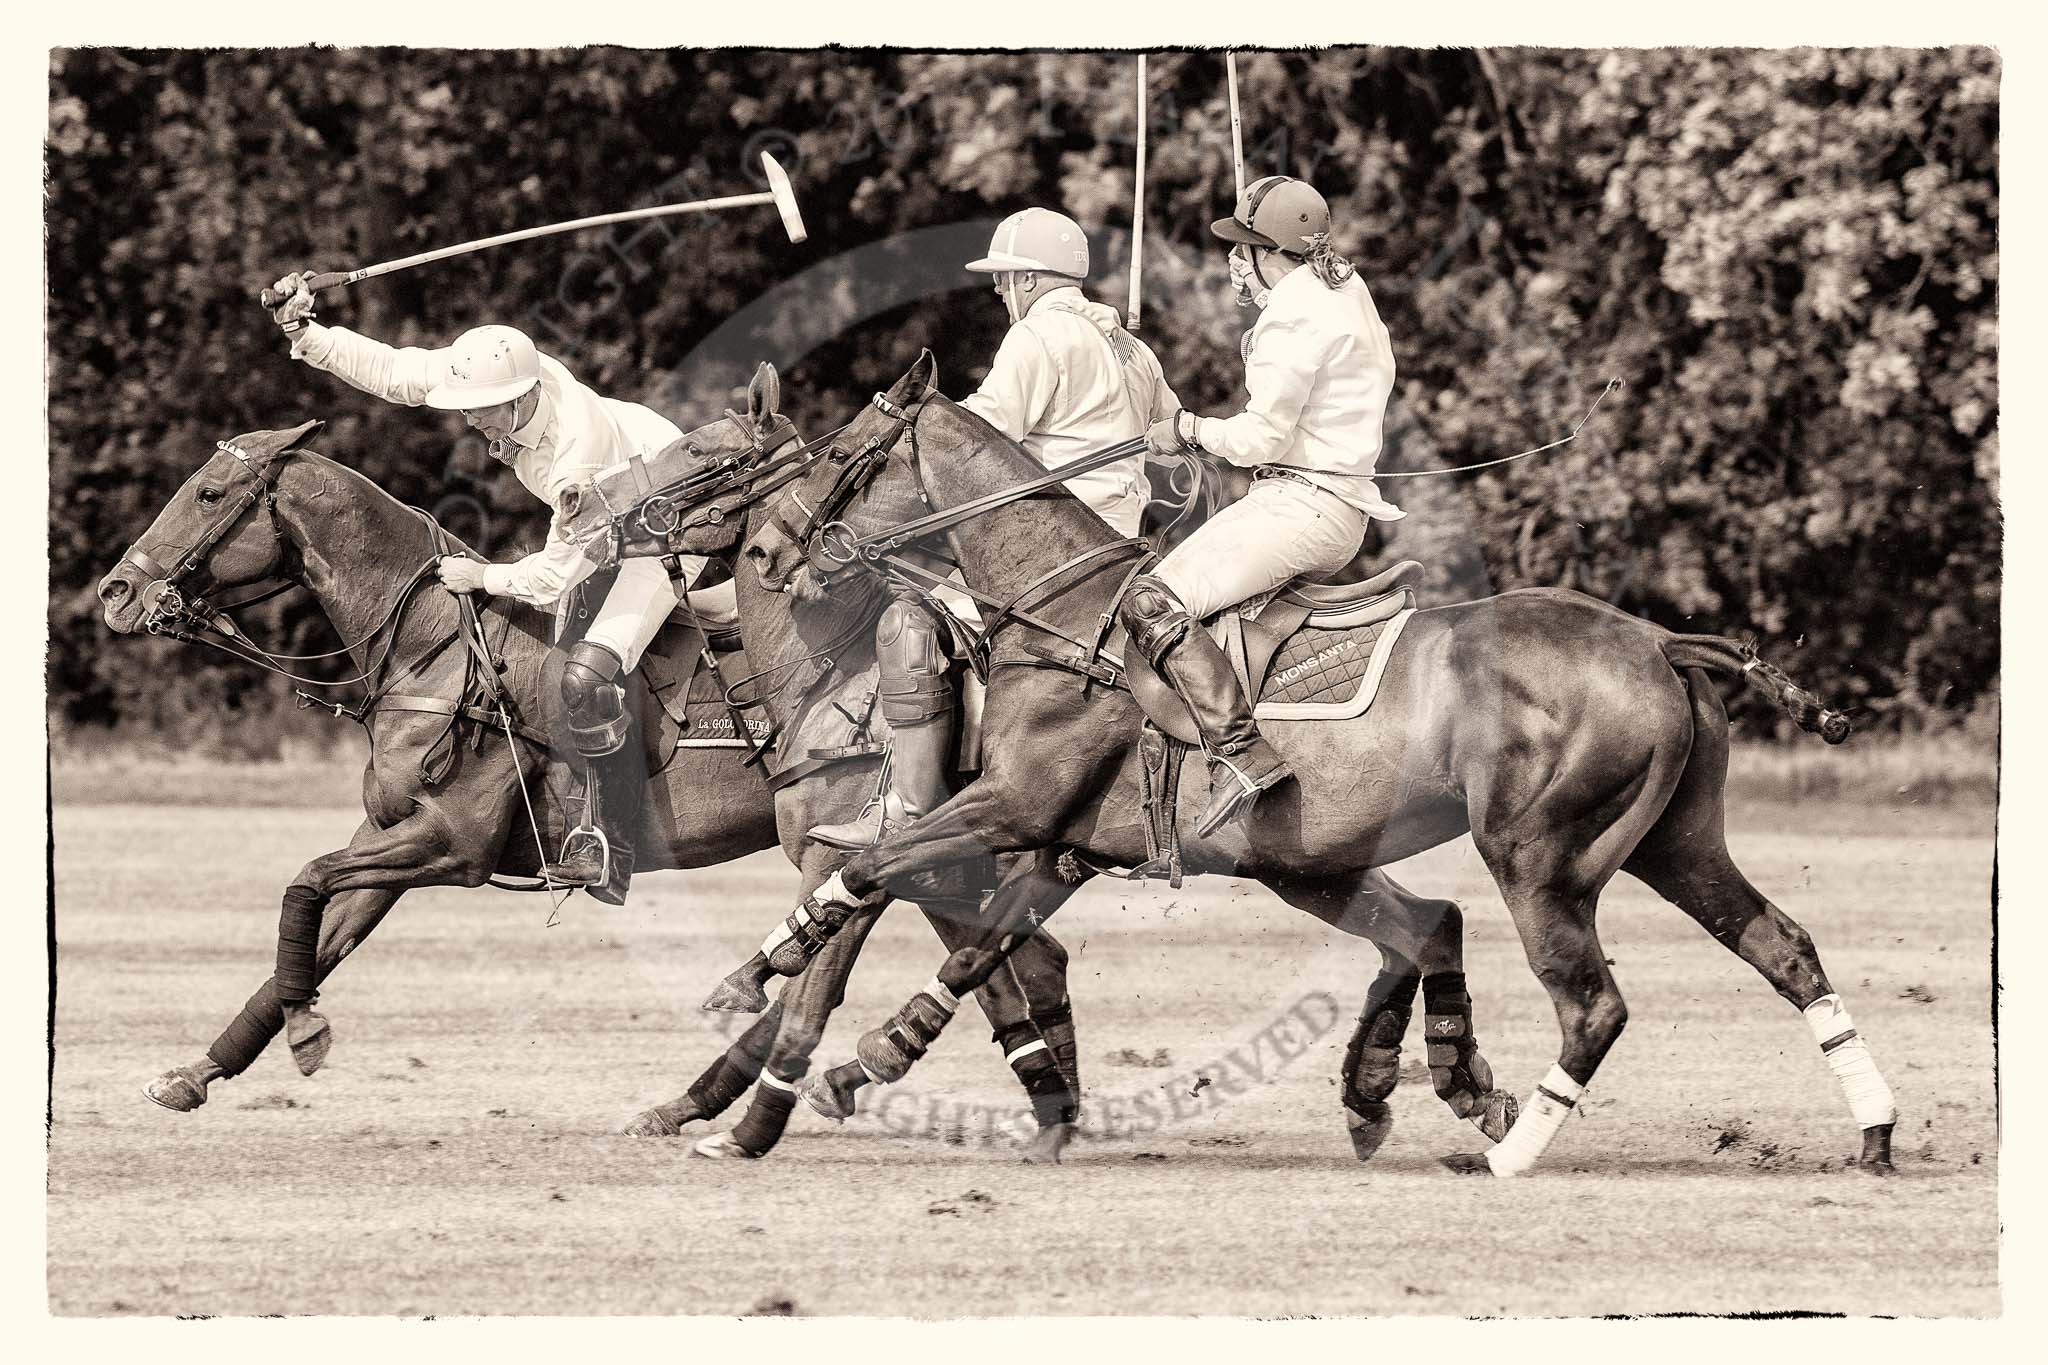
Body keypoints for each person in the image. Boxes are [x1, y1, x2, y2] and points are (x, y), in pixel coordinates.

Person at [265, 274, 706, 903]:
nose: (467, 418)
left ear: (521, 399)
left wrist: (483, 576)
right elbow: (399, 373)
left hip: (667, 526)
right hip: (615, 512)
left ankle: (608, 847)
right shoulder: (498, 368)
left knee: (587, 672)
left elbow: (557, 573)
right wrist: (305, 333)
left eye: (477, 409)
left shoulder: (577, 454)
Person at [807, 208, 1179, 850]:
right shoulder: (1133, 349)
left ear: (1032, 279)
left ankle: (907, 809)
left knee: (908, 623)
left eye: (1005, 279)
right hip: (1119, 554)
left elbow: (974, 442)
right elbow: (1173, 445)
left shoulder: (1037, 338)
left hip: (1046, 556)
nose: (1000, 292)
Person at [1134, 175, 1407, 837]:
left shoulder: (1294, 314)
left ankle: (1240, 753)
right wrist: (1265, 296)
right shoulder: (1345, 286)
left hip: (1300, 504)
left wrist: (1186, 430)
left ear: (1268, 251)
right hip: (1332, 506)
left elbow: (1259, 436)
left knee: (1151, 598)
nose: (1234, 259)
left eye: (1243, 246)